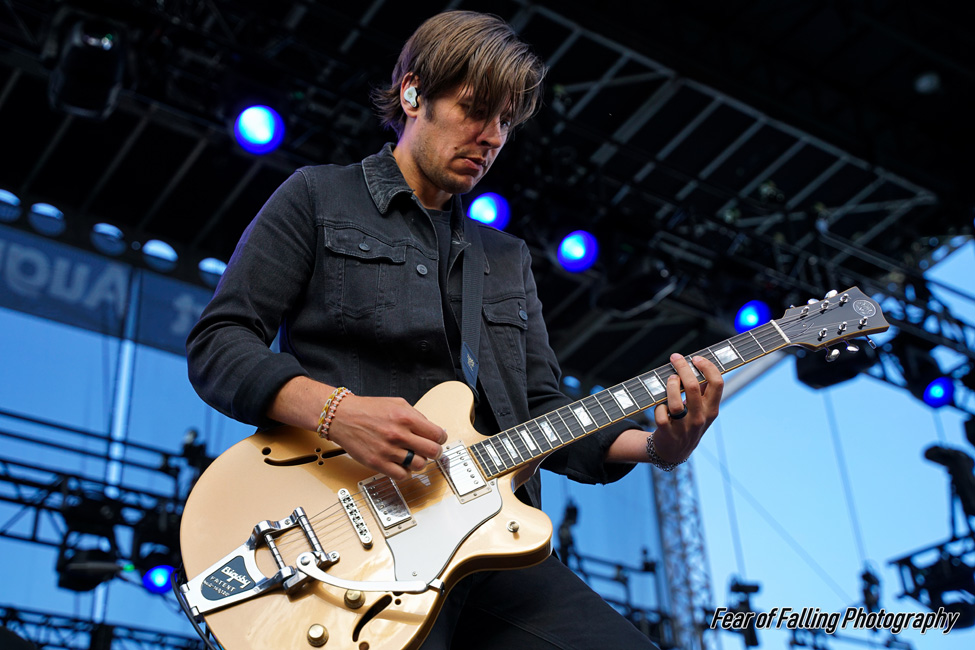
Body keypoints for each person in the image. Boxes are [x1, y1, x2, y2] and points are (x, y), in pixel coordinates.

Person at [186, 10, 722, 649]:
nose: (492, 137)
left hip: (492, 544)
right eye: (475, 111)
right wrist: (337, 412)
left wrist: (661, 447)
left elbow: (542, 409)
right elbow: (219, 342)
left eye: (505, 123)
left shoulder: (506, 257)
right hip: (351, 539)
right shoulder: (317, 197)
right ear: (413, 94)